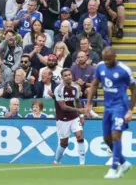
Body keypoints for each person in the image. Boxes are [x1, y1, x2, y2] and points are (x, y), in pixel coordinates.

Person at [86, 47, 135, 179]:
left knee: (115, 135)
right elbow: (95, 84)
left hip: (120, 106)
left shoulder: (124, 70)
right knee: (106, 139)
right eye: (105, 59)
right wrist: (89, 103)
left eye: (109, 60)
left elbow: (134, 89)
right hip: (108, 107)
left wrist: (130, 110)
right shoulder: (101, 67)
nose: (107, 62)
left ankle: (113, 169)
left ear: (115, 57)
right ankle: (124, 163)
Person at [53, 68, 86, 165]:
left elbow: (77, 101)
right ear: (62, 77)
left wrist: (81, 115)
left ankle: (82, 163)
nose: (68, 77)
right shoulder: (58, 89)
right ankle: (56, 161)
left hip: (74, 117)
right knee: (64, 143)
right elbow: (63, 107)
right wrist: (78, 110)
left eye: (69, 75)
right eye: (65, 75)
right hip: (62, 119)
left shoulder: (75, 87)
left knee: (79, 136)